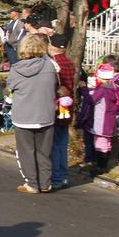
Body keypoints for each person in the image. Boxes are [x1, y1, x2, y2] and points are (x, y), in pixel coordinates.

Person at [7, 34, 57, 193]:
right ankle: (45, 183)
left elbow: (10, 88)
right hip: (45, 114)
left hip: (24, 116)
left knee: (26, 151)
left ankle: (32, 183)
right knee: (45, 152)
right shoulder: (49, 66)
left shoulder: (16, 69)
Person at [49, 35, 75, 188]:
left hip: (57, 104)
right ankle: (63, 174)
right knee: (62, 140)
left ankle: (57, 176)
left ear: (52, 47)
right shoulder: (70, 63)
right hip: (67, 105)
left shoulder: (54, 64)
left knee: (55, 141)